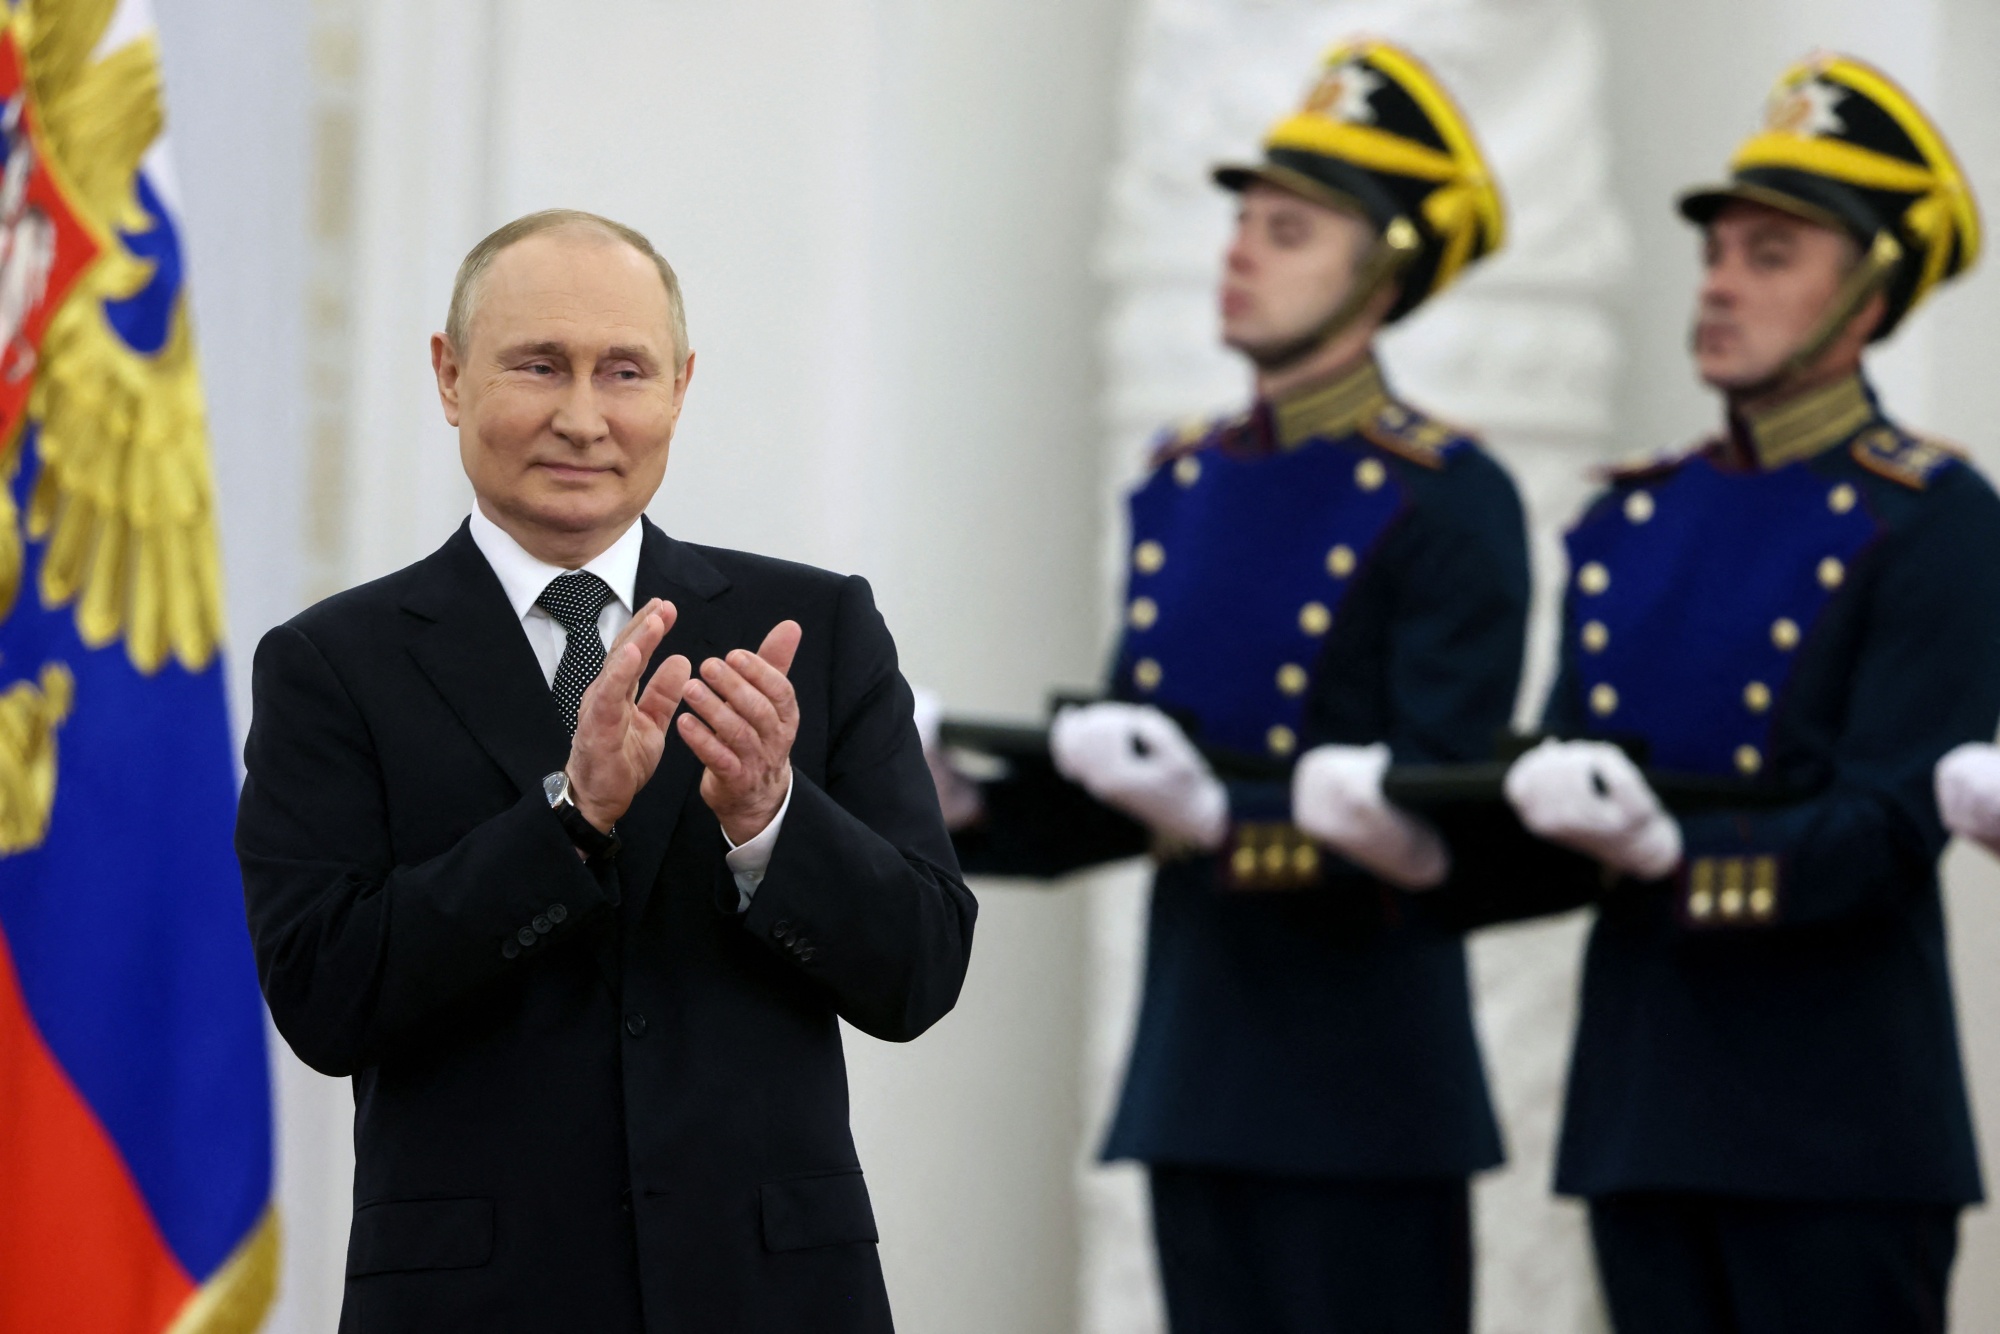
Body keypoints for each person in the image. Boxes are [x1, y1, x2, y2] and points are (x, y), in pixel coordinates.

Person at [235, 209, 975, 1333]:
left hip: (771, 1291)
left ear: (678, 386)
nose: (582, 417)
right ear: (448, 375)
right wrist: (569, 819)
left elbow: (919, 972)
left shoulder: (811, 627)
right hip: (478, 1297)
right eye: (538, 365)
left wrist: (769, 818)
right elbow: (324, 997)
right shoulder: (335, 664)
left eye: (623, 370)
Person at [930, 41, 1524, 1332]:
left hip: (1367, 1089)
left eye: (1289, 229)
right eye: (1243, 221)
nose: (1240, 251)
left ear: (1383, 270)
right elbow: (1131, 771)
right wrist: (964, 799)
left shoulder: (1448, 498)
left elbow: (1444, 818)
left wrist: (1222, 821)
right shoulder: (1182, 479)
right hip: (1203, 1064)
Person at [1430, 54, 1998, 1334]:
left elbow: (1886, 826)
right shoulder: (1630, 517)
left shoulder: (1934, 520)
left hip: (1836, 1120)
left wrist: (1664, 849)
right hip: (1647, 1098)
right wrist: (1428, 838)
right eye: (1714, 255)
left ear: (1869, 291)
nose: (1720, 285)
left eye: (1768, 254)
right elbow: (1570, 811)